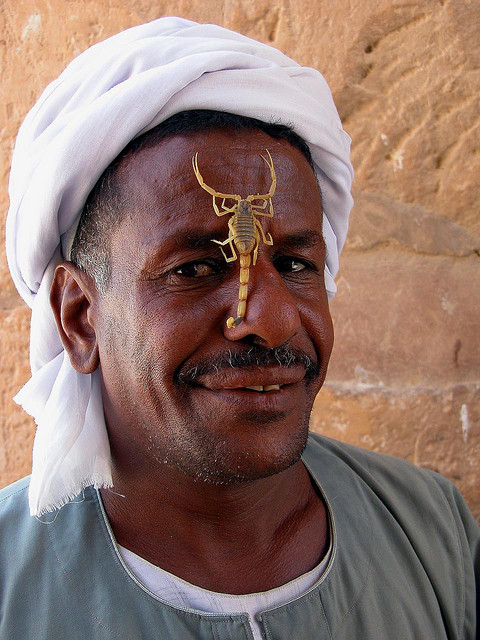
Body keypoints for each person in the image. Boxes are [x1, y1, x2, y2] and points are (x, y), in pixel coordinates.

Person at [1, 17, 478, 640]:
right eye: (195, 268)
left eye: (297, 265)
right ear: (80, 318)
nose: (271, 318)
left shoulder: (433, 530)